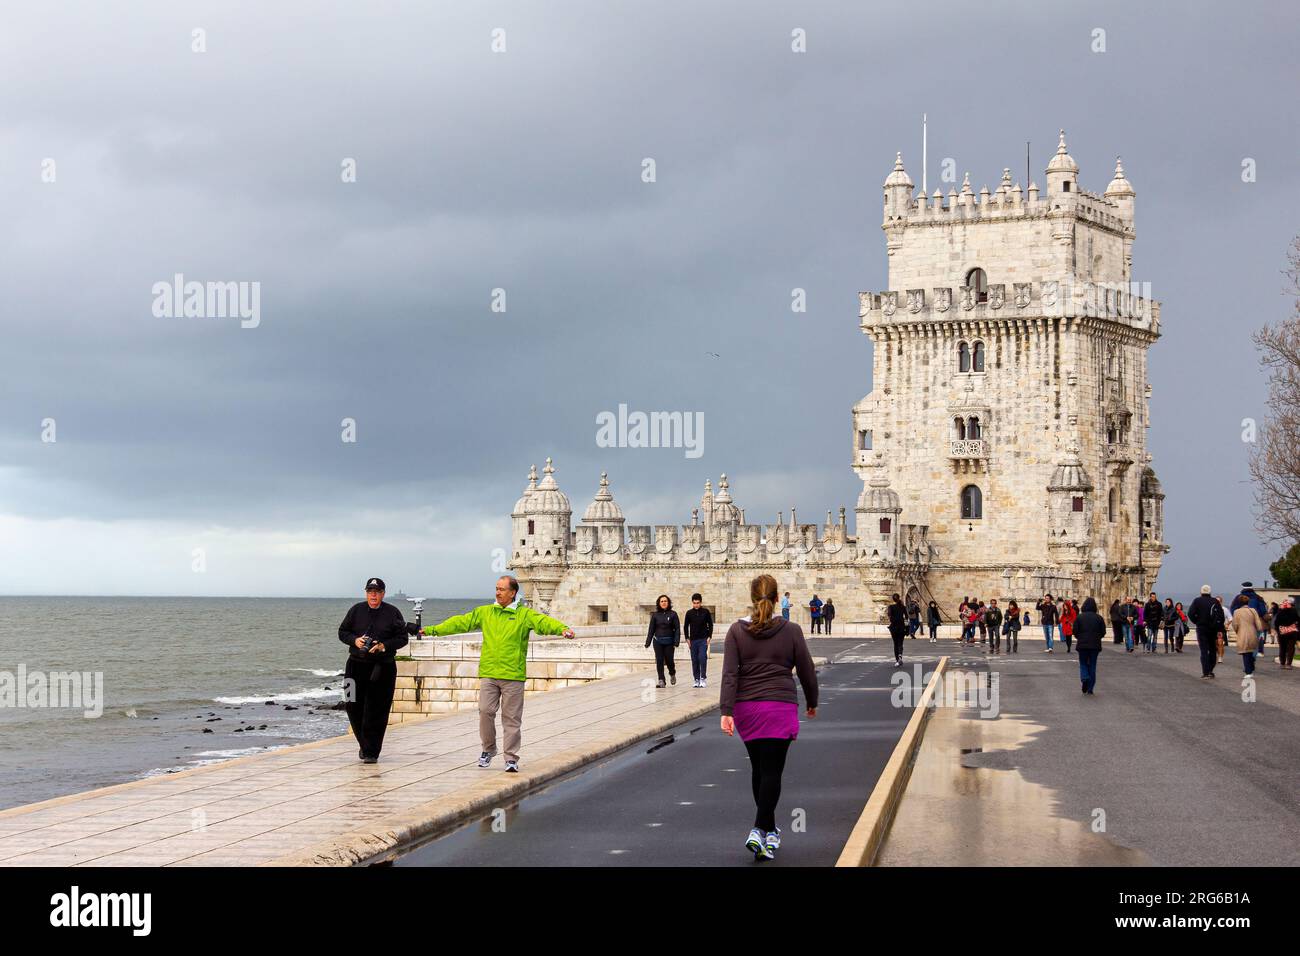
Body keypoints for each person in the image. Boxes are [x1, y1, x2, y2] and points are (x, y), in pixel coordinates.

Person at [422, 575, 574, 772]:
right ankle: (488, 750)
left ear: (513, 593)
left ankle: (511, 758)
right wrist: (433, 630)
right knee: (485, 712)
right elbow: (460, 623)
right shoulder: (485, 612)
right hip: (489, 673)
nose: (498, 592)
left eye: (502, 589)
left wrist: (562, 629)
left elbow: (543, 622)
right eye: (496, 588)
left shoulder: (524, 615)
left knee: (511, 719)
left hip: (513, 676)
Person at [720, 574, 818, 861]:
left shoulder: (735, 632)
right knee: (773, 772)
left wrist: (726, 711)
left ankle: (769, 831)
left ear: (752, 598)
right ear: (778, 600)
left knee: (759, 770)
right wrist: (812, 702)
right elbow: (807, 671)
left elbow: (729, 674)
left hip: (747, 710)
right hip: (780, 707)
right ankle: (759, 829)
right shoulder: (792, 631)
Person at [337, 577, 415, 764]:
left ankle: (371, 752)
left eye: (377, 591)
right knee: (351, 703)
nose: (373, 594)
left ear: (383, 594)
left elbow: (402, 638)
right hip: (354, 665)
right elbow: (342, 632)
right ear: (366, 593)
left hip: (383, 667)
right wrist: (355, 640)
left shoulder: (392, 612)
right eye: (370, 591)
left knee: (377, 710)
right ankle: (364, 745)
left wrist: (383, 646)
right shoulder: (356, 610)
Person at [1188, 585, 1224, 680]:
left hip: (1202, 628)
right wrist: (1220, 629)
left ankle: (1205, 672)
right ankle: (1211, 670)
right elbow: (1221, 616)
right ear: (1210, 592)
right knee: (1212, 649)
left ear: (1201, 592)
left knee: (1204, 650)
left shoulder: (1197, 601)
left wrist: (1197, 621)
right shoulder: (1215, 601)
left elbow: (1190, 614)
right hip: (1213, 629)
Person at [645, 594, 681, 687]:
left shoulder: (673, 614)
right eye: (662, 601)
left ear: (668, 602)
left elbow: (677, 628)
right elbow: (651, 629)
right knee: (659, 660)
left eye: (665, 601)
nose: (664, 603)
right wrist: (648, 642)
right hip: (658, 641)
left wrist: (676, 641)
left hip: (669, 641)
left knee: (669, 660)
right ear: (659, 603)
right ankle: (661, 680)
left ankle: (672, 673)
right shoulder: (655, 615)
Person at [1075, 597, 1106, 695]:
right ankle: (1090, 688)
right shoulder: (1099, 618)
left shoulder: (1079, 617)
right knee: (1092, 665)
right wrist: (1097, 637)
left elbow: (1075, 631)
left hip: (1082, 644)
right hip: (1095, 645)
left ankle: (1084, 677)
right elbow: (1103, 632)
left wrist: (1079, 637)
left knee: (1083, 663)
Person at [1228, 595, 1262, 676]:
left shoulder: (1236, 612)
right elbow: (1259, 624)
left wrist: (1237, 631)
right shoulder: (1253, 610)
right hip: (1252, 632)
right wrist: (1258, 630)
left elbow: (1235, 624)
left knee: (1245, 652)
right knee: (1250, 651)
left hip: (1242, 633)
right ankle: (1251, 666)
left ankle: (1248, 671)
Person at [684, 593, 714, 688]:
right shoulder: (689, 613)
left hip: (703, 639)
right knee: (694, 660)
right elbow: (685, 626)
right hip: (693, 640)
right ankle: (696, 679)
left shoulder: (706, 612)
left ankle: (703, 678)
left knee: (702, 658)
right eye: (694, 603)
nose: (696, 605)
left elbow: (710, 624)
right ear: (692, 603)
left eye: (698, 603)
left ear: (701, 602)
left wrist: (709, 636)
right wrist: (687, 638)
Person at [1273, 599, 1297, 669]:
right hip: (1292, 632)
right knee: (1291, 648)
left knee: (1282, 648)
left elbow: (1276, 623)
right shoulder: (1294, 611)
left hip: (1282, 632)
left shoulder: (1280, 612)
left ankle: (1282, 663)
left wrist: (1278, 630)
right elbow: (1297, 620)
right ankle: (1289, 664)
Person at [886, 593, 907, 666]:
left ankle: (897, 660)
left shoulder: (891, 607)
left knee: (895, 644)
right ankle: (900, 655)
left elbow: (889, 615)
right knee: (900, 643)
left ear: (893, 599)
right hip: (901, 627)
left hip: (894, 627)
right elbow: (906, 617)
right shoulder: (903, 607)